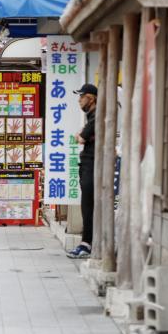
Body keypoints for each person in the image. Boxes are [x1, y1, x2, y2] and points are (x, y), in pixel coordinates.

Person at [68, 84, 98, 259]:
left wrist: (81, 135)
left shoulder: (97, 117)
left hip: (93, 166)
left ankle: (86, 244)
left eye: (82, 96)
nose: (79, 100)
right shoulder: (91, 117)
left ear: (91, 98)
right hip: (87, 165)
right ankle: (87, 242)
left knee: (88, 207)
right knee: (87, 206)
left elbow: (80, 137)